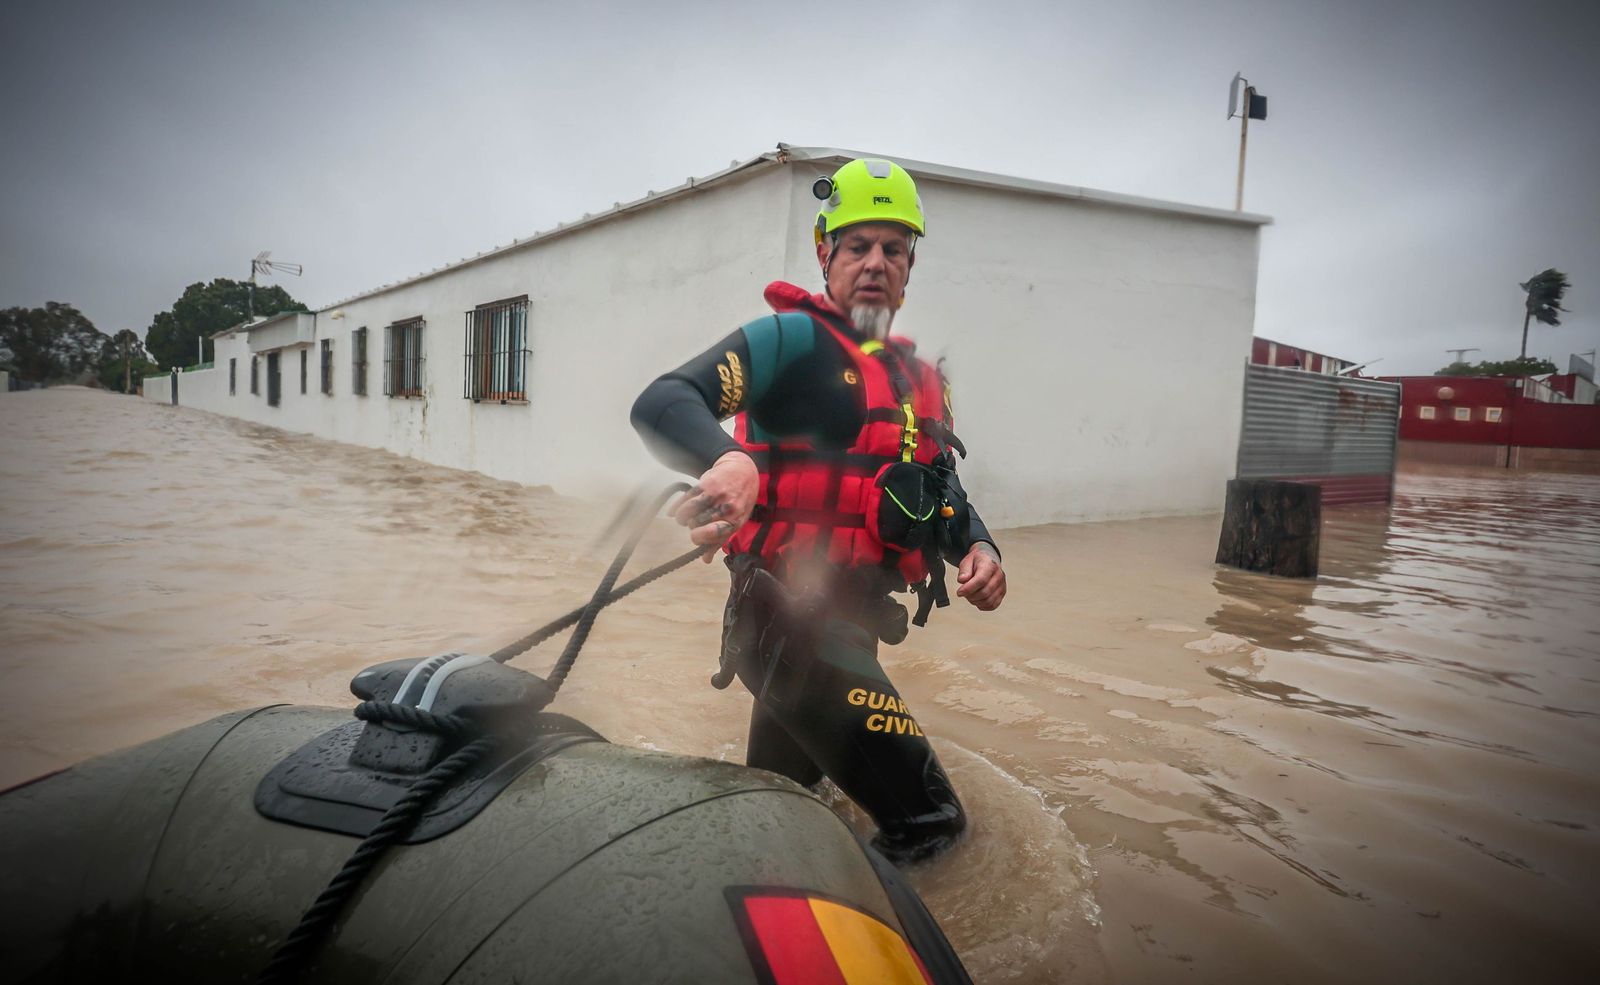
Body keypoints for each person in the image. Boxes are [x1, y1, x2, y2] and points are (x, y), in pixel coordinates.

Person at [630, 157, 1006, 863]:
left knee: (783, 811)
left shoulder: (922, 383)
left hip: (848, 632)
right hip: (792, 625)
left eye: (892, 248)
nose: (874, 263)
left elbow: (943, 492)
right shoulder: (792, 343)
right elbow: (662, 402)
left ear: (910, 264)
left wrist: (980, 549)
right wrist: (728, 458)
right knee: (935, 826)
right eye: (857, 244)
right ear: (823, 251)